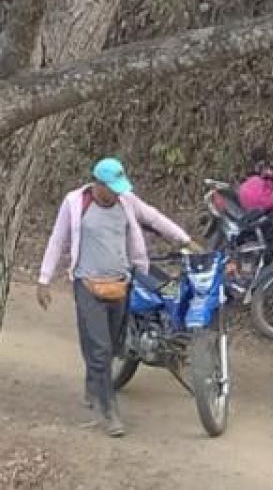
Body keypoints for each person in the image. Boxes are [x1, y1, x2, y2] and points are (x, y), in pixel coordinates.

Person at [37, 157, 198, 438]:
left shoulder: (127, 202)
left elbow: (154, 218)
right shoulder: (76, 203)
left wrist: (184, 240)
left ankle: (93, 384)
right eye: (111, 188)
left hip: (120, 284)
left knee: (112, 345)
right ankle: (109, 411)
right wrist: (44, 279)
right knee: (99, 348)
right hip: (87, 284)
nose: (116, 193)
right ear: (97, 183)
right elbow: (57, 239)